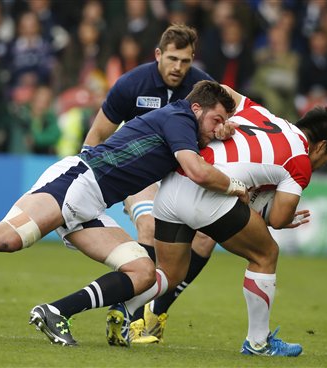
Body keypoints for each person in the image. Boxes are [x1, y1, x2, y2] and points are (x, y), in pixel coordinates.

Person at [0, 80, 248, 347]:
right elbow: (198, 171)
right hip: (77, 180)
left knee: (142, 272)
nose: (217, 129)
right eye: (215, 120)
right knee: (7, 238)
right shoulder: (179, 118)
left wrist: (224, 130)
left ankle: (56, 312)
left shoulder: (188, 123)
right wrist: (235, 187)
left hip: (92, 202)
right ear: (197, 108)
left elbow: (202, 153)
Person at [107, 85, 327, 356]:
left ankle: (123, 309)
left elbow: (217, 89)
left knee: (170, 274)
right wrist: (280, 216)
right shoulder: (300, 160)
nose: (324, 162)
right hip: (207, 192)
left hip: (173, 186)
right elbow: (278, 219)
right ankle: (259, 342)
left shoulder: (259, 112)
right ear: (323, 146)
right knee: (266, 254)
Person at [82, 23, 215, 336]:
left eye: (185, 61)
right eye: (172, 59)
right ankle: (128, 312)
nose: (178, 67)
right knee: (149, 225)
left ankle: (159, 310)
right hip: (139, 173)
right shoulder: (132, 83)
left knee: (206, 239)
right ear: (158, 54)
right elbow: (98, 133)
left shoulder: (204, 89)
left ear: (193, 59)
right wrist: (82, 177)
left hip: (183, 175)